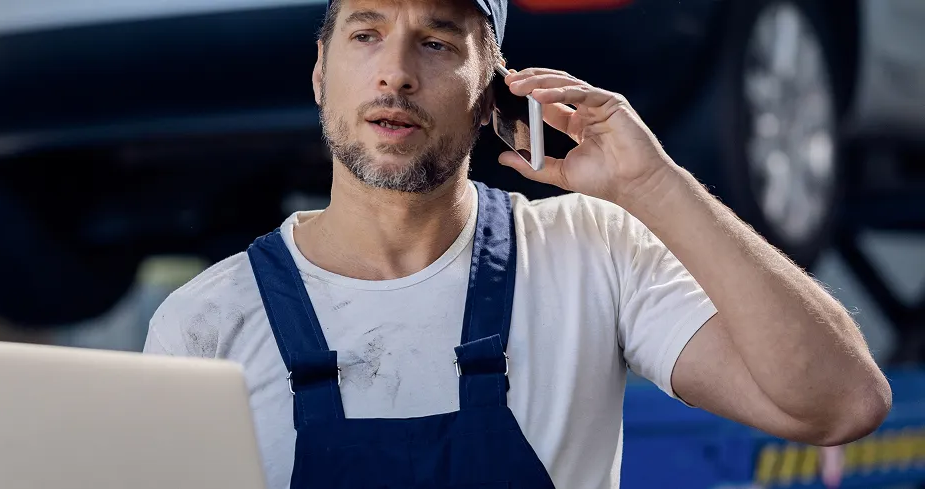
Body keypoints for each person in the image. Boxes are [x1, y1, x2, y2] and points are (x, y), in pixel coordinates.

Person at [142, 0, 892, 487]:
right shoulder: (208, 322)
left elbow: (839, 402)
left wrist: (654, 184)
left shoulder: (588, 253)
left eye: (436, 42)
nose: (395, 74)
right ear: (319, 74)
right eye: (366, 34)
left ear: (495, 89)